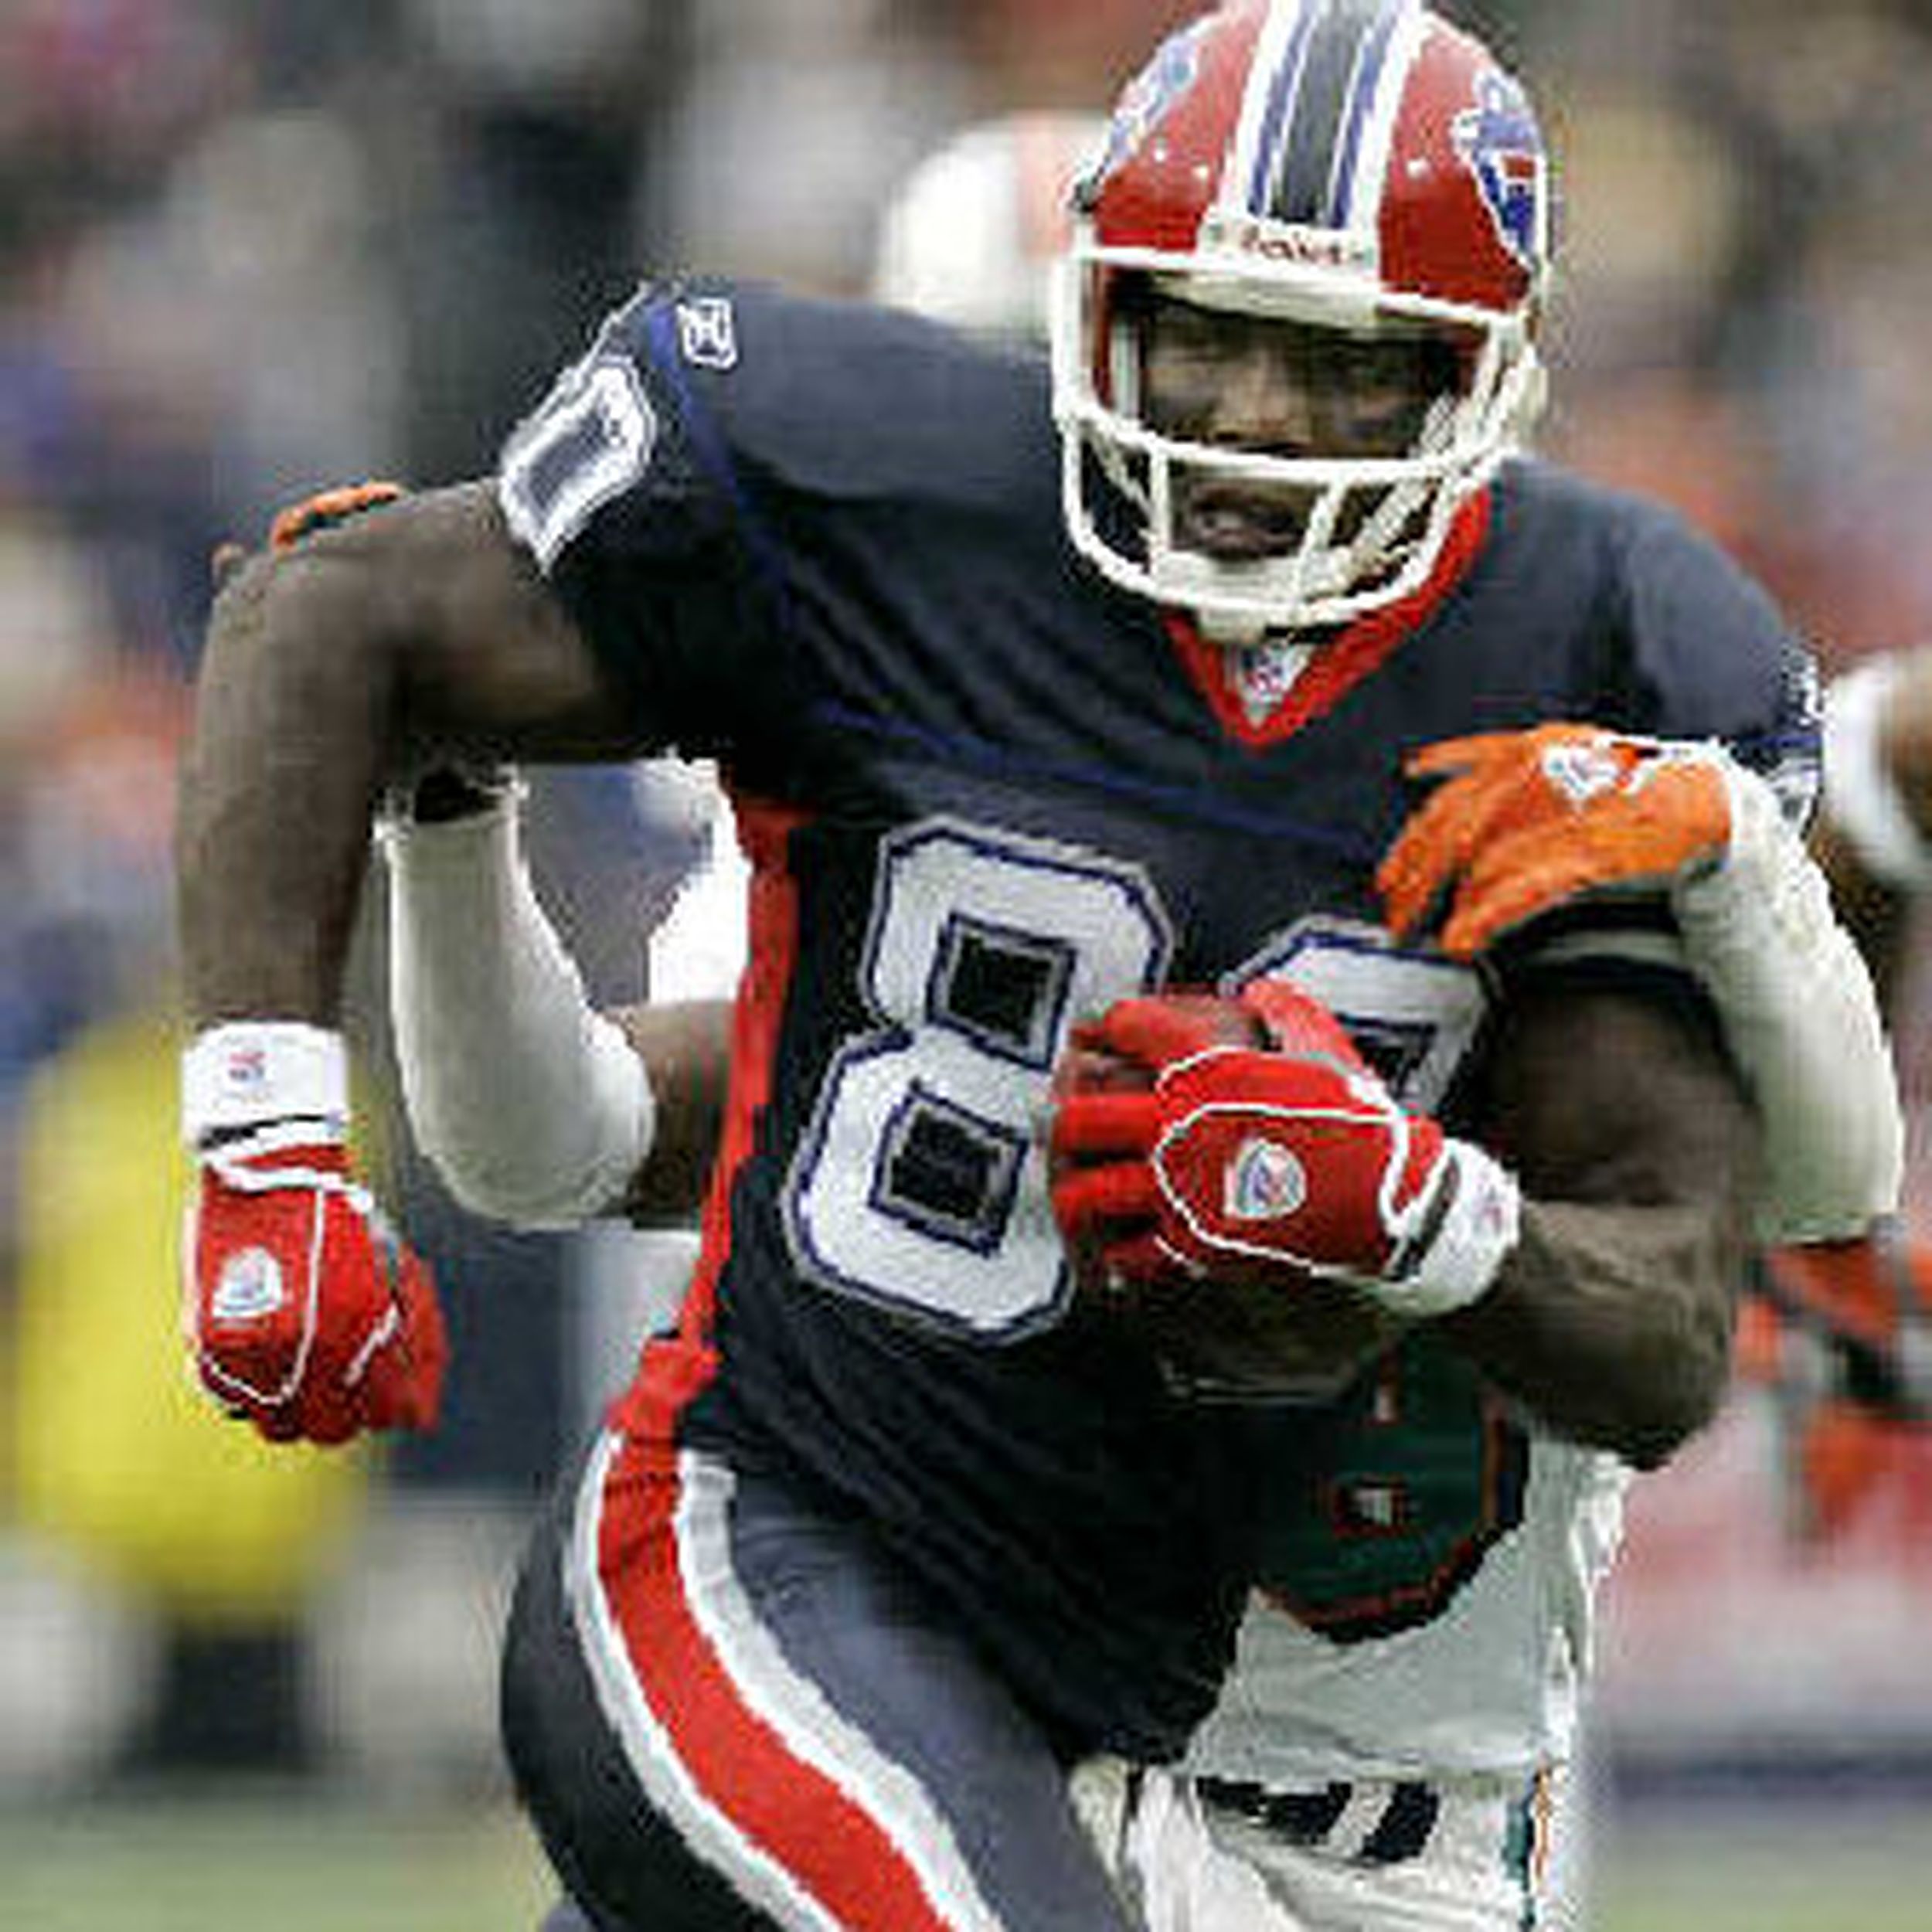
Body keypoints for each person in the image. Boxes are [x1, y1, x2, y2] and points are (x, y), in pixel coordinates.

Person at [174, 5, 1899, 1930]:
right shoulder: (876, 572)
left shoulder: (1592, 668)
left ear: (1473, 378)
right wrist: (271, 1132)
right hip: (809, 1567)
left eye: (1332, 366)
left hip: (1335, 1771)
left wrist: (1431, 1187)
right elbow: (524, 1046)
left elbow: (1742, 1248)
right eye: (1199, 334)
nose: (1244, 415)